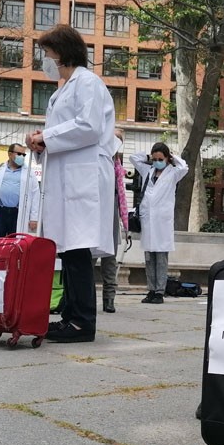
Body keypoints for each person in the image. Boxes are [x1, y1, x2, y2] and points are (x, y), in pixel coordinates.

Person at [25, 24, 115, 343]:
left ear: (61, 53)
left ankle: (82, 322)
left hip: (84, 179)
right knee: (70, 251)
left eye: (47, 54)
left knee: (78, 251)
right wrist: (39, 141)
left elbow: (88, 127)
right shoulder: (62, 90)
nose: (45, 60)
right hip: (68, 178)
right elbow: (61, 134)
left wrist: (45, 137)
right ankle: (70, 315)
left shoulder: (87, 83)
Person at [130, 142, 188, 304]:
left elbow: (184, 167)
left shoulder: (173, 173)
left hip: (162, 221)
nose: (157, 162)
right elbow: (133, 158)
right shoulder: (147, 170)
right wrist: (148, 157)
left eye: (160, 159)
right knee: (149, 258)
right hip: (148, 220)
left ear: (167, 158)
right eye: (154, 159)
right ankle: (151, 289)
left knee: (161, 257)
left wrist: (172, 157)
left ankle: (159, 292)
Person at [92, 128, 129, 313]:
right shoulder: (96, 158)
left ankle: (109, 299)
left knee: (110, 258)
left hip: (111, 214)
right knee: (89, 258)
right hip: (94, 214)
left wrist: (124, 221)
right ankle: (88, 297)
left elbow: (121, 196)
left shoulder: (117, 165)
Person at [0, 143, 39, 238]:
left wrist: (34, 218)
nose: (22, 157)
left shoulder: (29, 172)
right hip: (0, 211)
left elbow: (35, 195)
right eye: (19, 154)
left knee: (15, 243)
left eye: (23, 154)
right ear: (9, 154)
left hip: (18, 213)